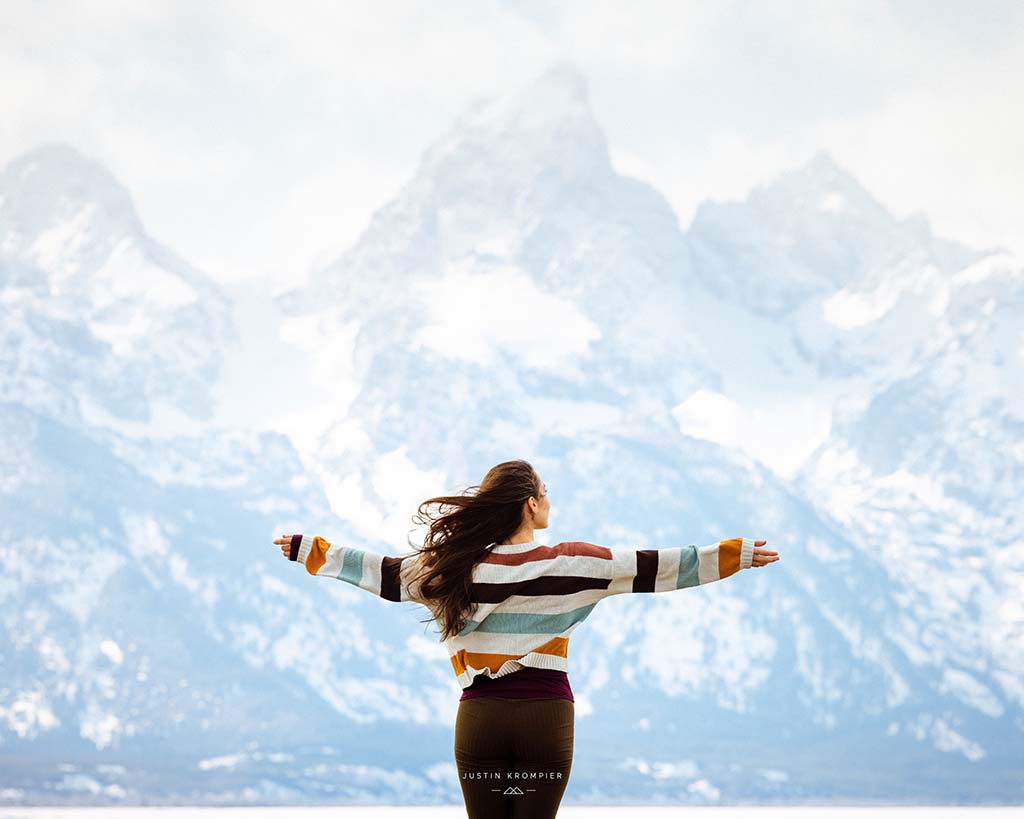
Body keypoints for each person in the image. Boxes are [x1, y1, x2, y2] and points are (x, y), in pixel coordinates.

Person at [275, 458, 779, 818]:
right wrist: (734, 555)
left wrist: (309, 550)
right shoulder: (573, 563)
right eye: (547, 494)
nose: (550, 503)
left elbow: (379, 573)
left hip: (479, 721)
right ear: (533, 504)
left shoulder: (450, 568)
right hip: (546, 720)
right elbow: (657, 567)